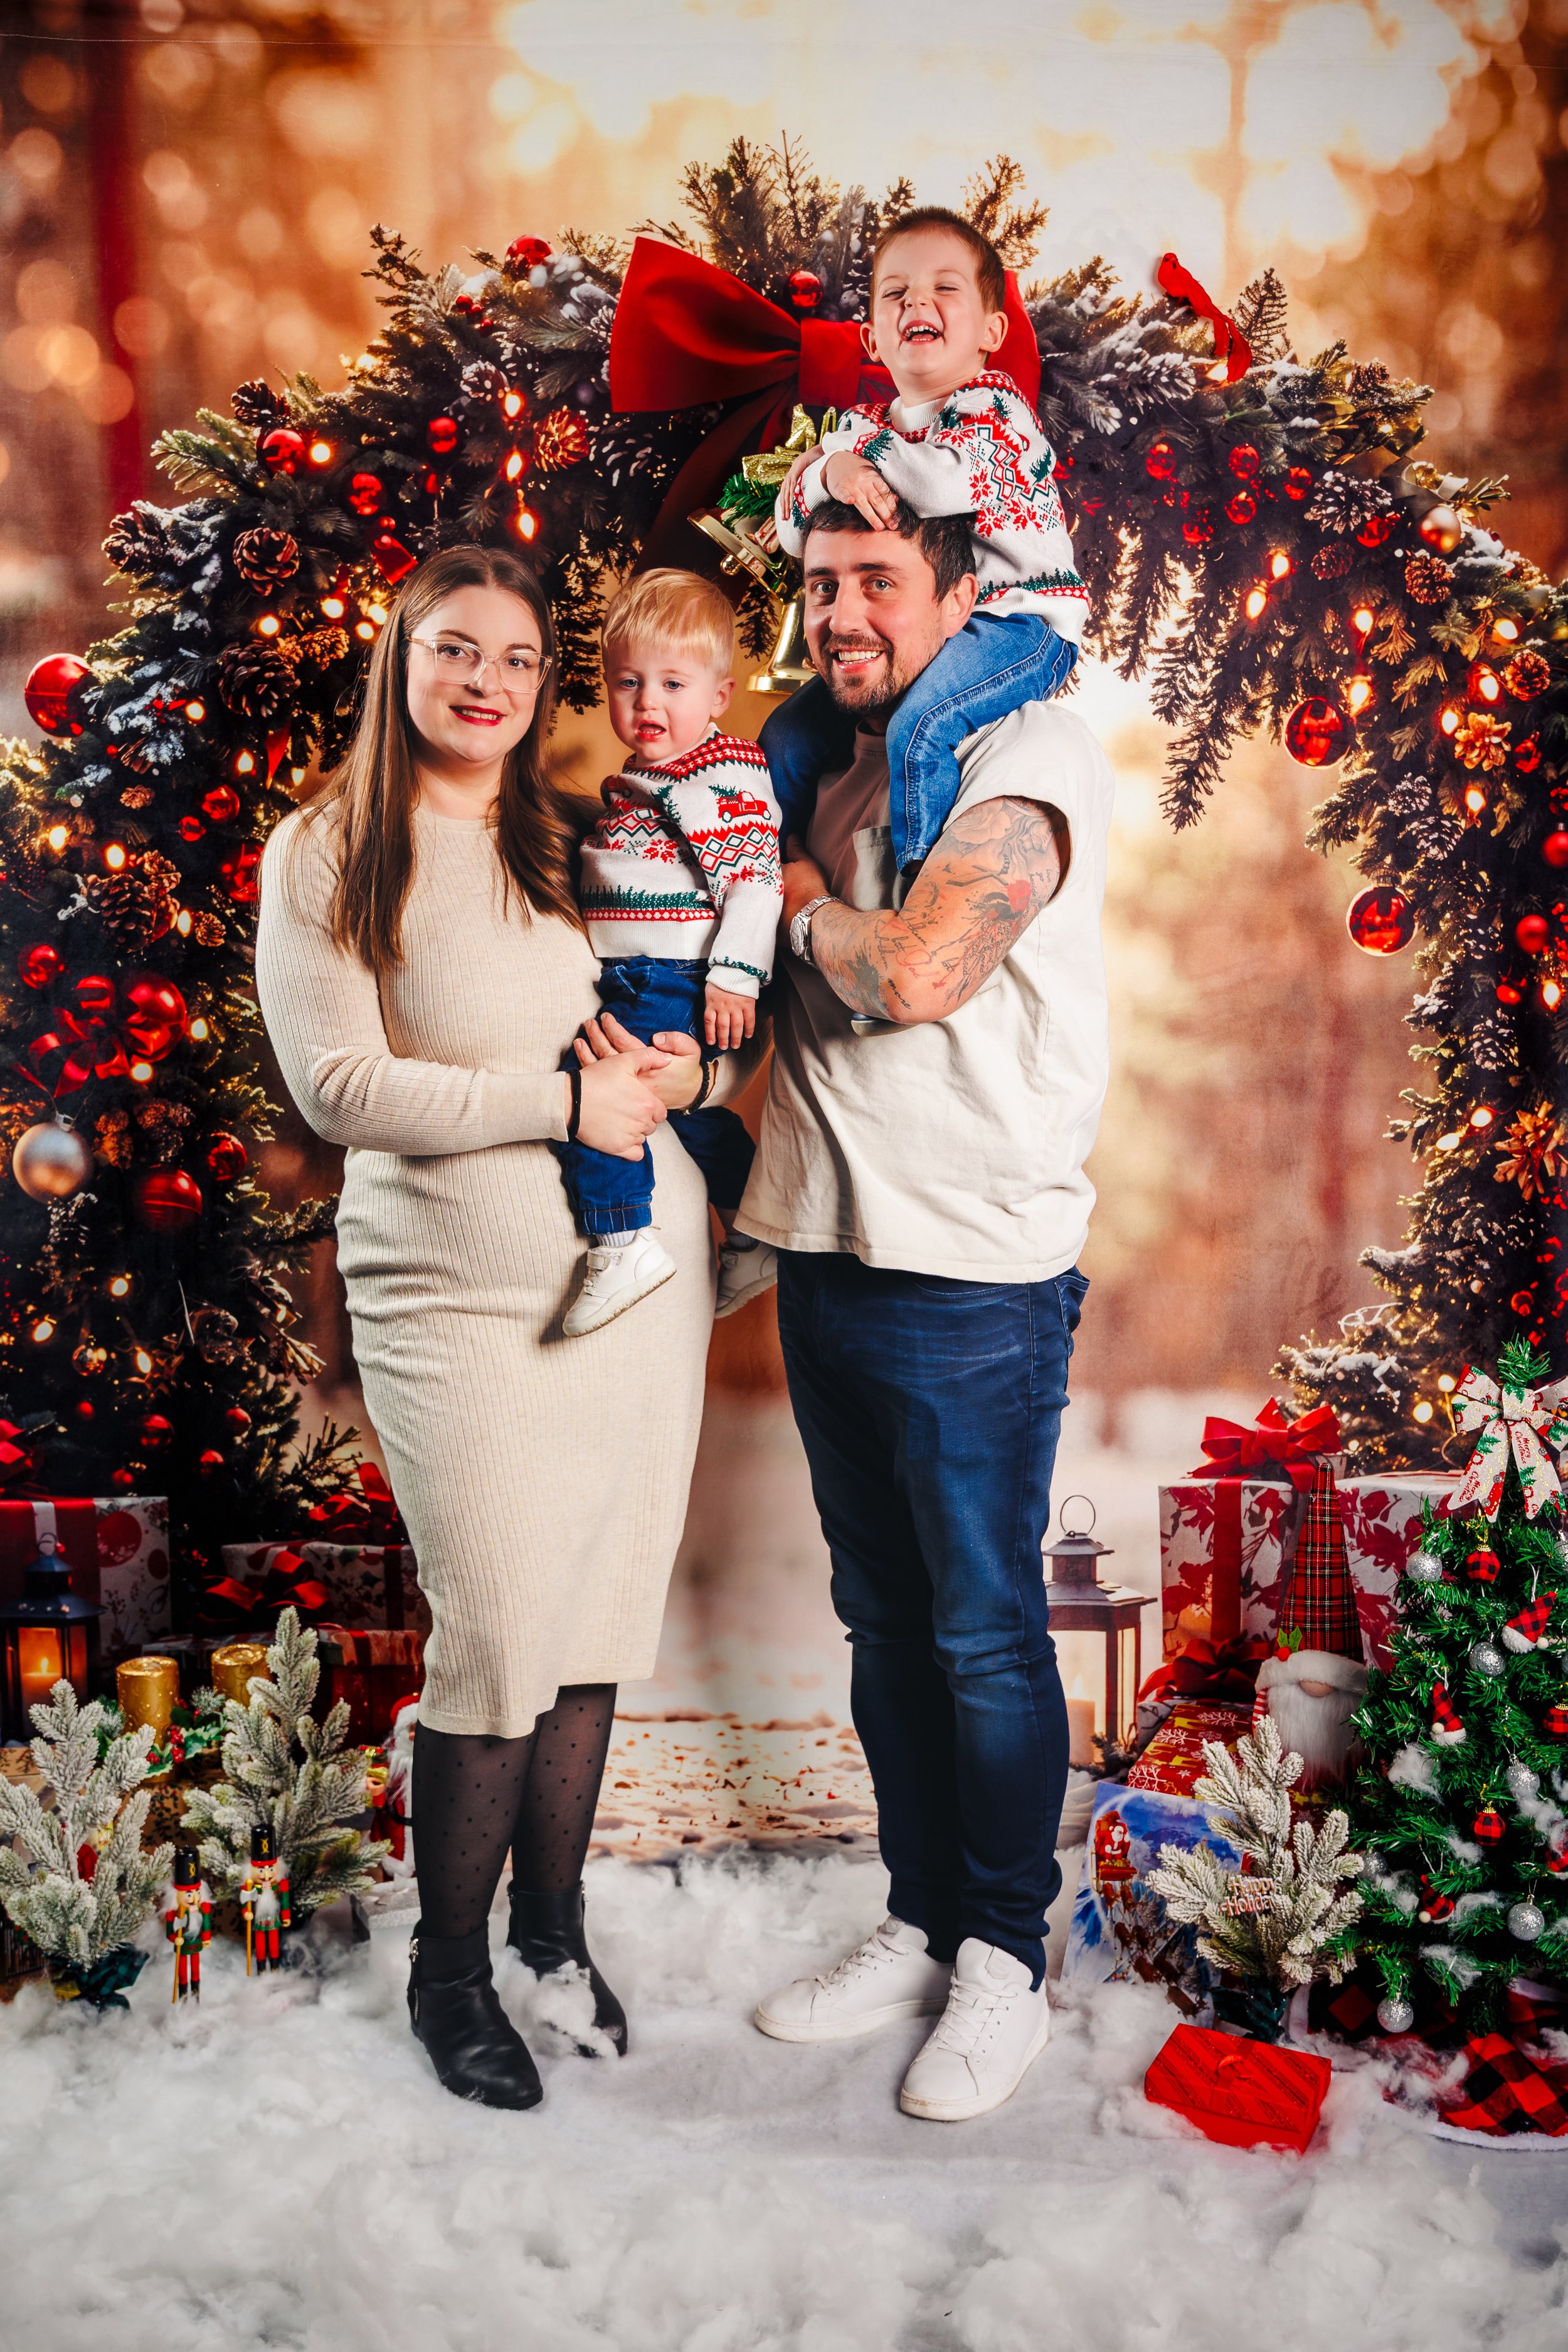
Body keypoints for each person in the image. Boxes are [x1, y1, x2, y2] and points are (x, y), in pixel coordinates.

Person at [257, 544, 737, 2111]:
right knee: (497, 1618)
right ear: (403, 663)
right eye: (457, 650)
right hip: (451, 1286)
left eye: (520, 660)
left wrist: (683, 1084)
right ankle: (449, 1969)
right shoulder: (330, 849)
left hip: (629, 1285)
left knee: (594, 1611)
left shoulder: (564, 838)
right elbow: (342, 1090)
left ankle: (552, 1928)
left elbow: (670, 1020)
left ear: (545, 688)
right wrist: (559, 1099)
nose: (488, 682)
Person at [744, 493, 1114, 2122]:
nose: (837, 608)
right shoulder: (813, 749)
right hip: (823, 1253)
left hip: (973, 1278)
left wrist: (782, 896)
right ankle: (917, 1917)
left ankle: (1006, 1961)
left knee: (980, 1631)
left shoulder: (1024, 749)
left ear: (962, 587)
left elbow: (915, 975)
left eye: (875, 578)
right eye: (817, 578)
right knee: (884, 1623)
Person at [765, 206, 1086, 887]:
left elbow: (938, 483)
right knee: (788, 738)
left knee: (923, 724)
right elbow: (794, 527)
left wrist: (844, 455)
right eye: (895, 292)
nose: (918, 300)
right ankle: (756, 877)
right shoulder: (867, 426)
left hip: (1022, 624)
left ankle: (914, 882)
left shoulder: (998, 415)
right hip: (938, 623)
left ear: (991, 331)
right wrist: (826, 471)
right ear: (871, 339)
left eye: (945, 288)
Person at [561, 568, 782, 1335]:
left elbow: (756, 882)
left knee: (599, 1089)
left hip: (679, 973)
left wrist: (733, 979)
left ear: (719, 696)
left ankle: (620, 1238)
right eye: (629, 681)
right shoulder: (648, 776)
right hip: (646, 970)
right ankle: (752, 1228)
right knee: (688, 1116)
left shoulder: (719, 772)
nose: (647, 702)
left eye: (673, 683)